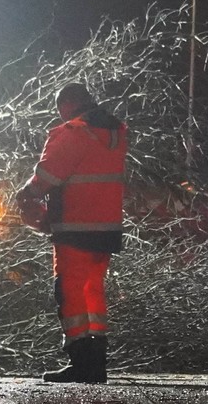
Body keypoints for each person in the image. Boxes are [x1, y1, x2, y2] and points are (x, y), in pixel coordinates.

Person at [15, 83, 127, 384]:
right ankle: (97, 363)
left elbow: (48, 175)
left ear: (66, 104)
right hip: (106, 227)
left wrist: (25, 194)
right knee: (93, 290)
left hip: (75, 225)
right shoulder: (115, 133)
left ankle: (81, 361)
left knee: (68, 291)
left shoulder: (72, 132)